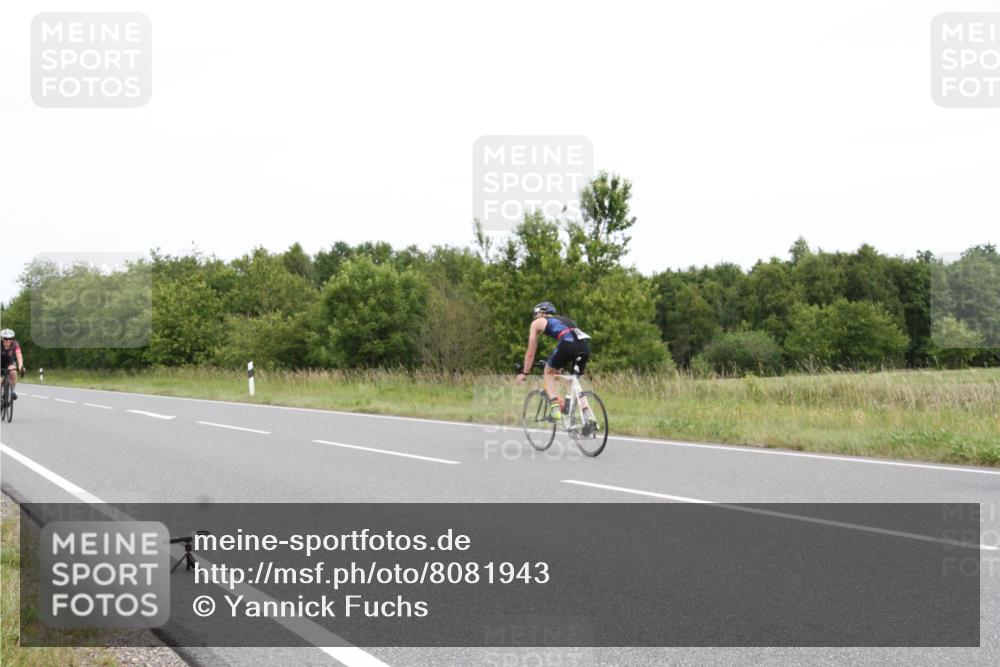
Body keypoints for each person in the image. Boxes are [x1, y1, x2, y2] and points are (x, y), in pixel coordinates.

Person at [515, 302, 593, 422]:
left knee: (548, 371)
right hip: (585, 346)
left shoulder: (537, 322)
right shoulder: (566, 319)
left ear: (540, 313)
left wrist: (525, 373)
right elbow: (571, 339)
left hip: (568, 343)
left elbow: (530, 353)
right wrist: (558, 365)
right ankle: (588, 415)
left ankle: (555, 408)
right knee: (572, 380)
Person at [1, 328, 24, 401]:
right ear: (2, 338)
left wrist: (20, 366)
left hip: (10, 362)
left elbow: (19, 355)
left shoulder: (15, 344)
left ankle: (12, 391)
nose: (8, 340)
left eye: (10, 338)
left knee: (13, 372)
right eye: (6, 338)